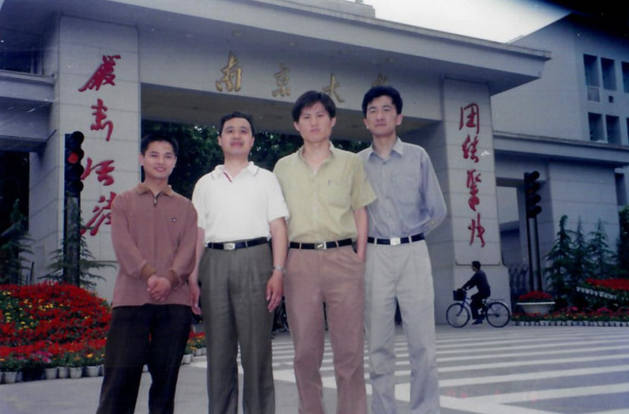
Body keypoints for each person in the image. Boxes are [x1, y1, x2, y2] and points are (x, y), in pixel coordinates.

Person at [273, 91, 376, 414]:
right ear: (297, 124)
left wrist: (358, 258)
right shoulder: (283, 168)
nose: (314, 122)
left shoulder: (351, 163)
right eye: (306, 117)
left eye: (320, 115)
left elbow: (360, 210)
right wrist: (280, 266)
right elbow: (278, 221)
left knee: (349, 351)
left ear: (332, 120)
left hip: (342, 258)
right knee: (305, 351)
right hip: (299, 261)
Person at [190, 111, 288, 414]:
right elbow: (198, 233)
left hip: (255, 260)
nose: (236, 135)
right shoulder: (205, 183)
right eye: (229, 130)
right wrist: (193, 276)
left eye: (243, 130)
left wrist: (278, 271)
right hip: (214, 263)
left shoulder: (266, 179)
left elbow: (278, 228)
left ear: (252, 140)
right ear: (219, 139)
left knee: (257, 351)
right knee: (219, 352)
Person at [358, 85, 446, 414]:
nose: (380, 116)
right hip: (374, 256)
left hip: (413, 253)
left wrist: (414, 234)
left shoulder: (418, 156)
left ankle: (425, 409)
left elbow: (438, 210)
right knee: (378, 346)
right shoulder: (356, 164)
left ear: (399, 116)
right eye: (373, 111)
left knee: (422, 343)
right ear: (365, 121)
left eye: (386, 109)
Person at [96, 133, 198, 414]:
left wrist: (170, 279)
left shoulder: (186, 207)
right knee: (119, 378)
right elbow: (123, 245)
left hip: (174, 302)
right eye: (154, 155)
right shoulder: (123, 202)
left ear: (174, 162)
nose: (160, 161)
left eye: (167, 156)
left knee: (165, 383)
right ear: (142, 159)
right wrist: (150, 275)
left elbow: (188, 250)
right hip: (131, 300)